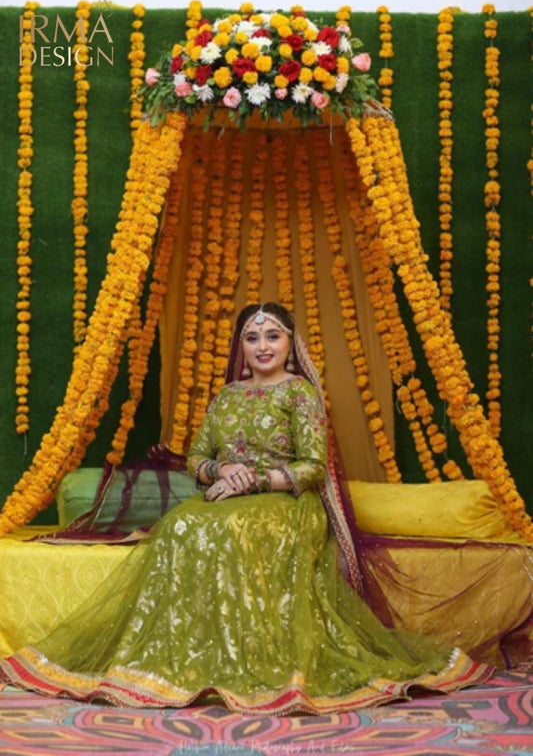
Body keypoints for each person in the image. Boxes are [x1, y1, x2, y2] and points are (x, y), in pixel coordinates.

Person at [0, 303, 493, 714]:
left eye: (272, 336)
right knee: (179, 525)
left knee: (239, 527)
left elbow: (312, 468)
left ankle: (257, 659)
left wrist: (253, 478)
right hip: (226, 496)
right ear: (241, 347)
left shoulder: (298, 394)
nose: (262, 346)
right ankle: (188, 653)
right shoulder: (226, 396)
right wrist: (222, 473)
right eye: (252, 337)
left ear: (289, 344)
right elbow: (197, 457)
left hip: (286, 503)